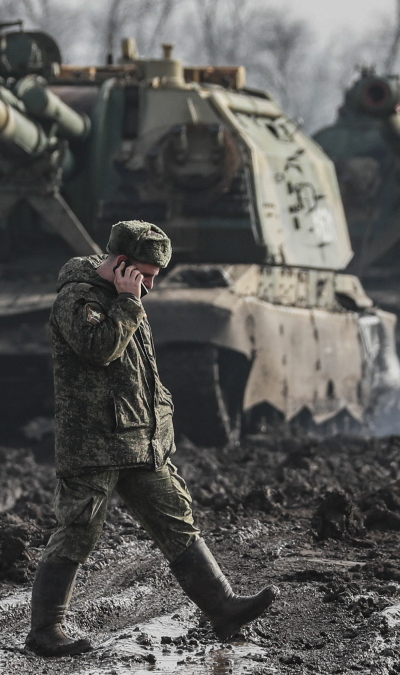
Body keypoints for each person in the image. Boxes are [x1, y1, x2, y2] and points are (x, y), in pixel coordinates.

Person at [25, 220, 278, 657]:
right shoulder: (78, 298)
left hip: (139, 441)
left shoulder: (127, 297)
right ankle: (45, 629)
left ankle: (222, 607)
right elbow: (98, 348)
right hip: (96, 444)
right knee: (79, 530)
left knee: (175, 519)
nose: (151, 285)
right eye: (146, 274)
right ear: (121, 265)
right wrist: (126, 302)